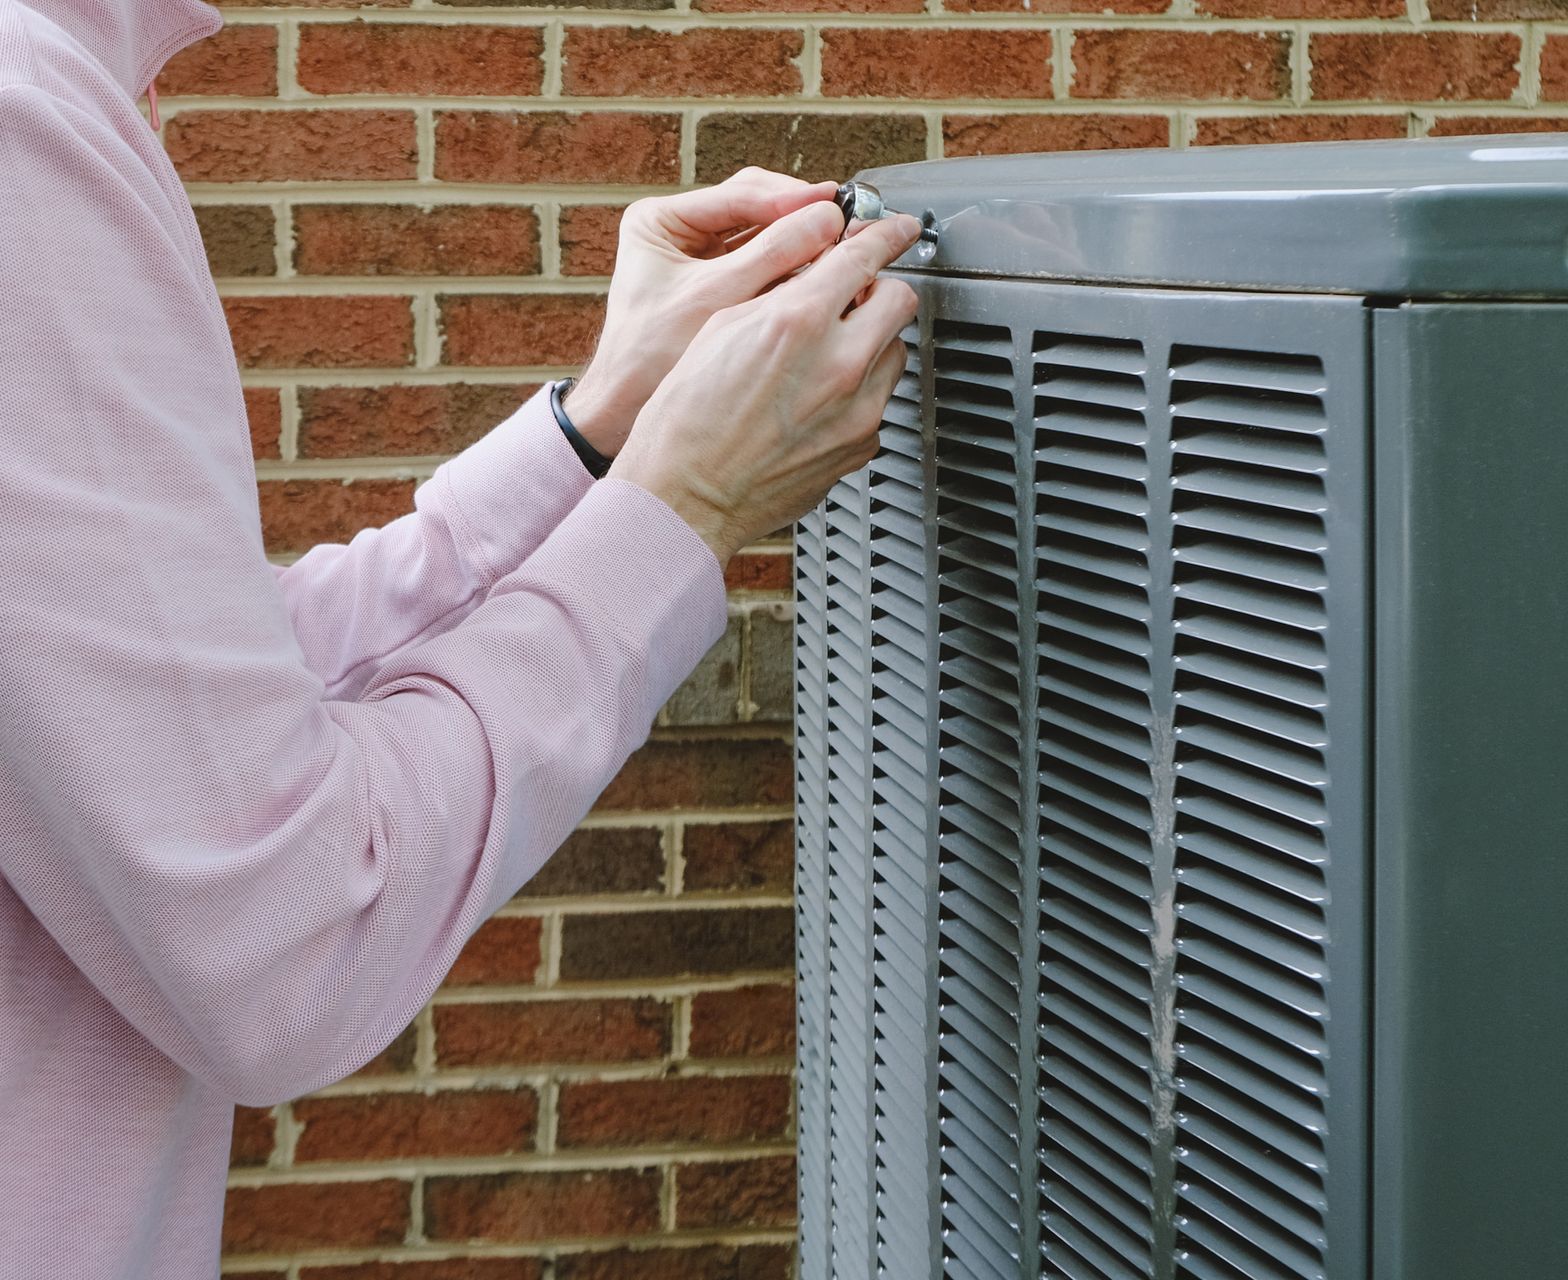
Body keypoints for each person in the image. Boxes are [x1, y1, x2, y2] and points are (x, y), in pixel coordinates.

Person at [0, 0, 922, 1273]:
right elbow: (287, 937)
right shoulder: (18, 116)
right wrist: (681, 508)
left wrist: (595, 427)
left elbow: (152, 699)